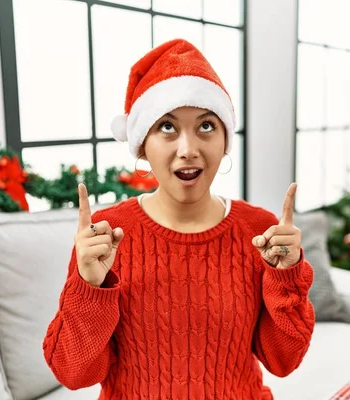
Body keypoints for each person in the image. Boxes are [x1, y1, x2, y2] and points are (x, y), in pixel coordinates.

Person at [42, 38, 315, 400]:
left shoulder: (259, 232)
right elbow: (73, 373)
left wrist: (286, 277)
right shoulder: (108, 235)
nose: (188, 150)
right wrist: (89, 287)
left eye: (206, 126)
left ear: (224, 140)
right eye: (167, 127)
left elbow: (284, 361)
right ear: (142, 143)